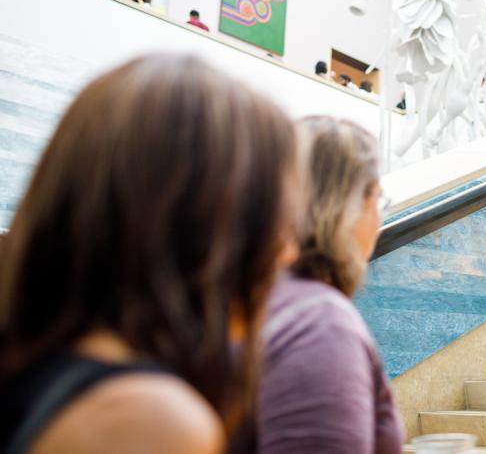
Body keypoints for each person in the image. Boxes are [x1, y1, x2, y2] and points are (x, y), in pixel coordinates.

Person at [0, 54, 301, 454]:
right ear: (210, 231)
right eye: (274, 222)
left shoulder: (37, 365)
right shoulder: (146, 420)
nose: (288, 253)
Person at [254, 117, 404, 453]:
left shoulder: (255, 297)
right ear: (351, 204)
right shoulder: (320, 326)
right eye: (378, 200)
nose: (380, 221)